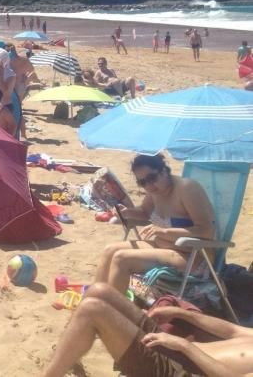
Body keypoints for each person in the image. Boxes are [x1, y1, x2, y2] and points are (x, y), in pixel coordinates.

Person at [41, 281, 253, 377]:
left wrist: (186, 347)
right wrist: (183, 314)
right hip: (178, 350)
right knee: (100, 290)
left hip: (179, 370)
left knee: (92, 310)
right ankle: (68, 357)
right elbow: (232, 332)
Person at [93, 153, 214, 295]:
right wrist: (127, 212)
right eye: (142, 182)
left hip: (192, 257)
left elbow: (206, 231)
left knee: (121, 259)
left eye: (151, 178)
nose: (149, 185)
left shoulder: (187, 188)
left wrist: (163, 232)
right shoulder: (155, 191)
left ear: (163, 170)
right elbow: (144, 212)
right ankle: (95, 300)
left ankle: (113, 312)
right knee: (109, 250)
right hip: (163, 247)